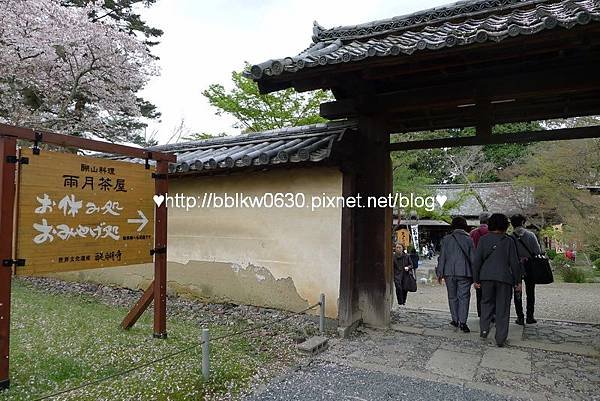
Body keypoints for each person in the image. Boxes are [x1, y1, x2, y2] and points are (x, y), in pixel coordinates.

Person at [473, 213, 523, 347]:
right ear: (505, 226)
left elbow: (477, 261)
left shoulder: (483, 240)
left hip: (486, 277)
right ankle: (500, 338)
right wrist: (518, 281)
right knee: (503, 308)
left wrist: (476, 279)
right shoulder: (509, 241)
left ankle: (484, 330)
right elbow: (515, 263)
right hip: (504, 278)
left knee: (486, 304)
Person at [436, 216, 475, 333]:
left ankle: (455, 319)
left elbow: (442, 257)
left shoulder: (447, 239)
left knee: (452, 297)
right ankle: (463, 322)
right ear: (465, 226)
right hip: (464, 272)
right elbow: (473, 259)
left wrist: (440, 273)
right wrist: (475, 275)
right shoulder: (469, 239)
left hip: (449, 272)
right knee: (464, 297)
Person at [511, 214, 542, 325]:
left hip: (516, 266)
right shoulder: (531, 235)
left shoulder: (510, 237)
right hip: (530, 265)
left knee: (517, 291)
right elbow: (537, 251)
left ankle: (520, 317)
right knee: (530, 292)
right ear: (523, 222)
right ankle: (530, 316)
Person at [470, 212, 490, 317]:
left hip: (477, 265)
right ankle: (490, 314)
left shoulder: (473, 233)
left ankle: (481, 312)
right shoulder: (492, 233)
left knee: (479, 291)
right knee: (491, 292)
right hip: (490, 266)